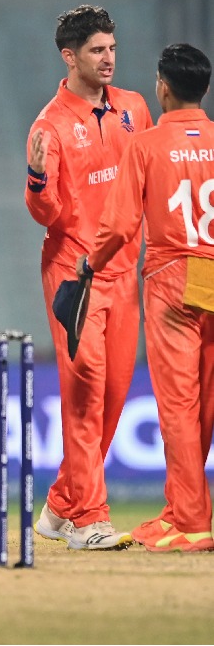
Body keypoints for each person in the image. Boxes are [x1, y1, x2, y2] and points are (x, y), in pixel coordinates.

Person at [24, 4, 152, 551]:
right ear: (69, 56)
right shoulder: (50, 125)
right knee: (84, 393)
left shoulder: (134, 109)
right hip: (75, 275)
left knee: (114, 396)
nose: (108, 59)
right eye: (97, 50)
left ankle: (58, 505)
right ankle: (88, 519)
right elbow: (46, 215)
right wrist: (36, 179)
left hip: (126, 274)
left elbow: (149, 182)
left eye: (112, 48)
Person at [81, 44, 214, 552]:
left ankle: (193, 523)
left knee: (178, 405)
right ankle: (182, 509)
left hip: (173, 274)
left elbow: (118, 225)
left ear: (163, 87)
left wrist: (90, 264)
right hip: (212, 271)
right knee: (203, 403)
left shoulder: (148, 145)